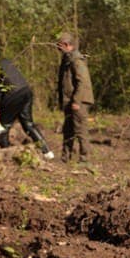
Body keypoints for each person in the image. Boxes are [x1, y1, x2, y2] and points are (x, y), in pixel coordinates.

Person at [0, 44, 54, 158]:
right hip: (25, 91)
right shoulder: (2, 60)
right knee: (28, 124)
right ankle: (47, 152)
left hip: (12, 95)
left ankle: (6, 154)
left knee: (3, 126)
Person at [56, 32, 94, 163]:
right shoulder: (67, 59)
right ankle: (65, 158)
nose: (58, 48)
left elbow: (81, 82)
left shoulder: (76, 60)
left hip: (79, 101)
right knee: (68, 130)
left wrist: (76, 101)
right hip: (70, 101)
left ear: (67, 45)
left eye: (59, 46)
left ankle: (85, 159)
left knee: (80, 130)